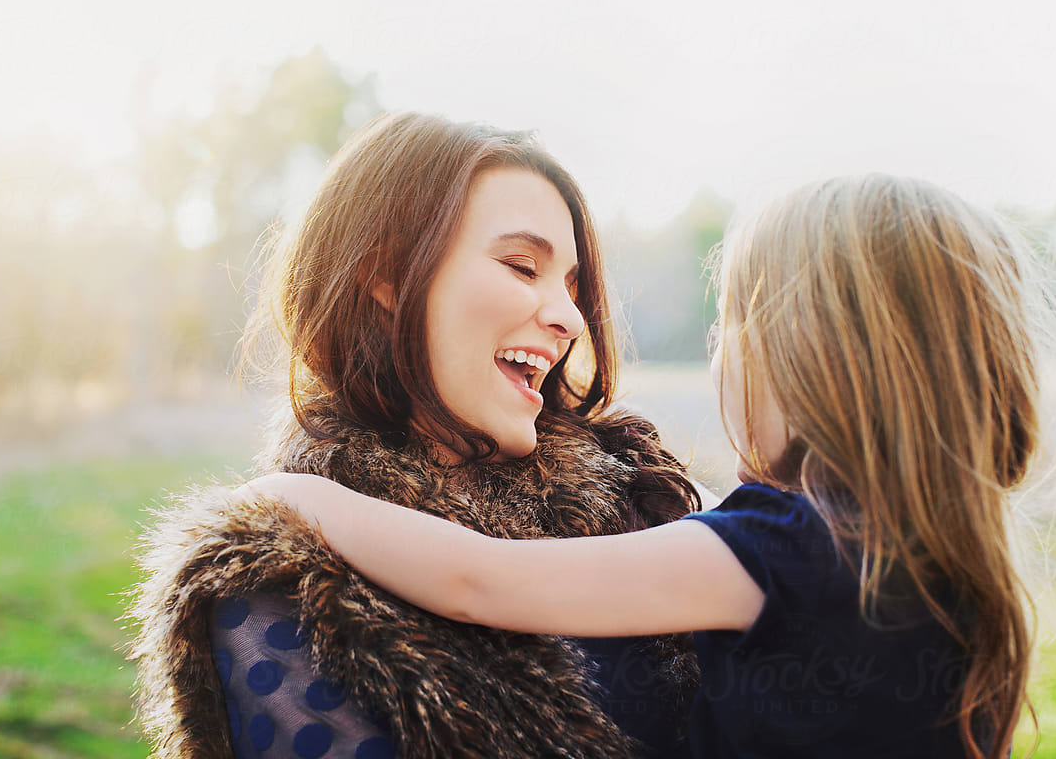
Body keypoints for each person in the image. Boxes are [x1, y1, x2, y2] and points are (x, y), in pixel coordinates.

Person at [244, 174, 1045, 759]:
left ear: (804, 356)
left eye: (732, 328)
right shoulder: (954, 566)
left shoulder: (777, 549)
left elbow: (481, 580)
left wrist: (294, 496)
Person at [124, 112, 709, 759]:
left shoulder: (640, 495)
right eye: (522, 266)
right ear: (389, 278)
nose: (570, 318)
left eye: (573, 286)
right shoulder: (278, 578)